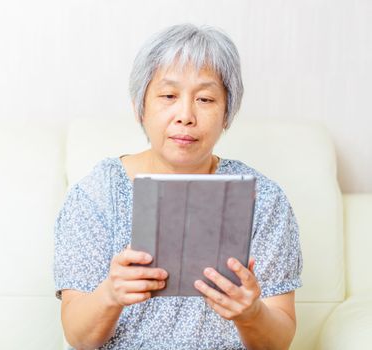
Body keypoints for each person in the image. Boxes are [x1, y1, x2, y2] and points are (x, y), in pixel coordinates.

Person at [54, 23, 303, 350]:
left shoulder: (264, 200)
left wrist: (251, 313)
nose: (185, 115)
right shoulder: (96, 195)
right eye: (169, 95)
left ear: (227, 112)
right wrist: (110, 294)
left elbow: (278, 341)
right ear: (139, 107)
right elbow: (78, 338)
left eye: (205, 98)